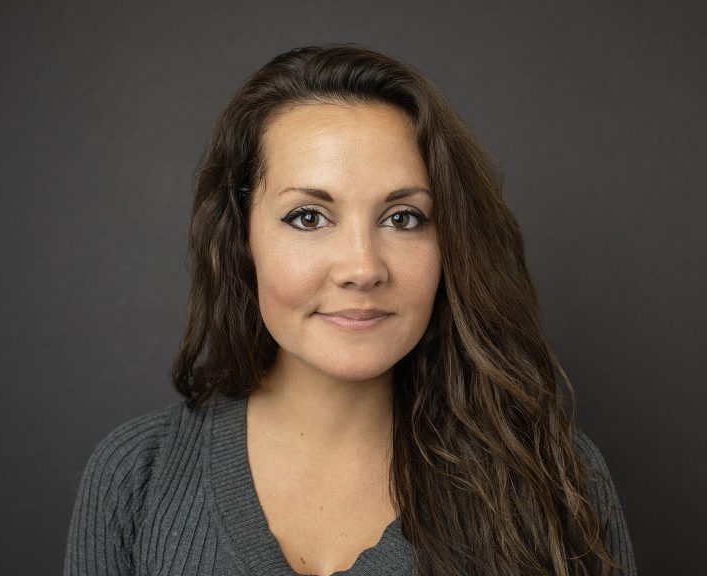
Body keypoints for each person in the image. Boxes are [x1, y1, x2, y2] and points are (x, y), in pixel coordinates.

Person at [62, 44, 637, 576]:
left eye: (403, 218)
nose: (363, 267)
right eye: (309, 217)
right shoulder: (136, 474)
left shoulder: (557, 477)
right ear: (241, 238)